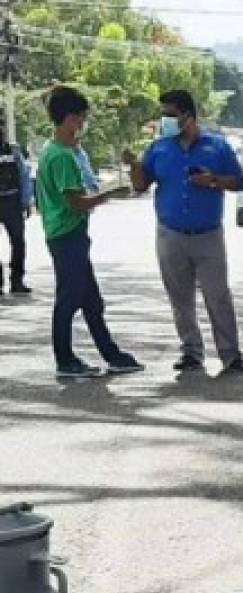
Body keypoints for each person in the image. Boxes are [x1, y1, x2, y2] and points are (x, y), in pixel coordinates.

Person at [124, 90, 243, 375]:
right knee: (179, 298)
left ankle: (231, 355)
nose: (164, 121)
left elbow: (239, 182)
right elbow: (142, 185)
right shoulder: (158, 148)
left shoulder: (217, 147)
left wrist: (213, 180)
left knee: (217, 295)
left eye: (169, 115)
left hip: (208, 235)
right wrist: (133, 165)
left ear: (187, 115)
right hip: (171, 234)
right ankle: (191, 351)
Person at [37, 87, 142, 379]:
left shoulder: (57, 151)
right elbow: (76, 201)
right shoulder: (61, 157)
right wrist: (110, 194)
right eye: (81, 117)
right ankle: (65, 358)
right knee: (69, 299)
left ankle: (112, 354)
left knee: (91, 301)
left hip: (68, 233)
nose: (83, 123)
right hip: (66, 233)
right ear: (70, 118)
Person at [0, 135, 33, 295]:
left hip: (11, 201)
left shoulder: (13, 151)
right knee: (18, 242)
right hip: (10, 202)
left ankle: (17, 281)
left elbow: (23, 175)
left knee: (18, 242)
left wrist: (26, 201)